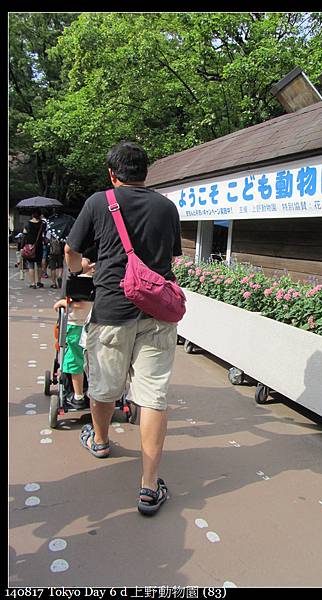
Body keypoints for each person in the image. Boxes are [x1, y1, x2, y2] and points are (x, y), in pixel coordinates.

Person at [64, 141, 182, 516]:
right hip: (157, 313)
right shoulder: (166, 207)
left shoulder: (99, 202)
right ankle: (149, 485)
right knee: (152, 396)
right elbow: (172, 255)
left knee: (105, 387)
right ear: (146, 173)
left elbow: (71, 251)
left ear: (112, 174)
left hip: (112, 309)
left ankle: (100, 440)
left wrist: (81, 270)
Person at [53, 254, 95, 409]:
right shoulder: (104, 280)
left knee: (75, 360)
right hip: (93, 327)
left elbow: (80, 304)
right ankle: (91, 393)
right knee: (92, 363)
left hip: (77, 326)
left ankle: (78, 396)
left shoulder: (80, 281)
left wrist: (64, 302)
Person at [47, 209, 76, 289]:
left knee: (53, 267)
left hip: (52, 250)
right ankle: (60, 276)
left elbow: (47, 238)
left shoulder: (53, 225)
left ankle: (53, 283)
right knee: (60, 265)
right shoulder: (68, 226)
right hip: (61, 249)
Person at [22, 209, 46, 288]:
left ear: (32, 215)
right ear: (39, 215)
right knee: (39, 265)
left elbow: (24, 236)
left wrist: (21, 246)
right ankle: (39, 282)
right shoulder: (42, 224)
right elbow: (44, 233)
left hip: (30, 246)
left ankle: (33, 283)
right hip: (39, 246)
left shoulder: (27, 224)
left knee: (31, 265)